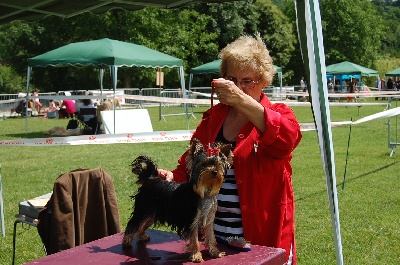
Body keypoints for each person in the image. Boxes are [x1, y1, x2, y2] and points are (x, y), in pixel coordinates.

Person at [156, 34, 302, 265]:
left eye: (247, 81)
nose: (238, 87)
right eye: (232, 79)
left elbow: (286, 140)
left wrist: (241, 101)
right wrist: (173, 176)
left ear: (264, 81)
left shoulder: (280, 114)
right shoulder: (213, 118)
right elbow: (193, 161)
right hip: (215, 238)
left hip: (262, 238)